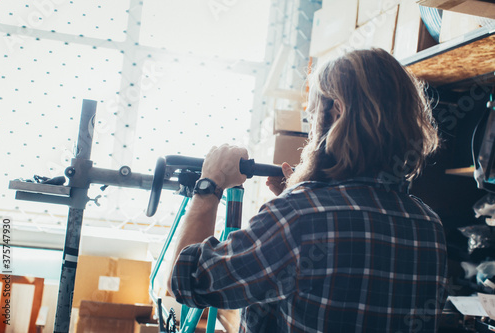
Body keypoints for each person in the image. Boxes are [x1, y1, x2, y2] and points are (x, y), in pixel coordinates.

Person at [168, 48, 448, 332]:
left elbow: (186, 281)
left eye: (312, 116)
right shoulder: (428, 224)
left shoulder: (299, 217)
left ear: (336, 112)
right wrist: (299, 205)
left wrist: (209, 185)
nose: (310, 133)